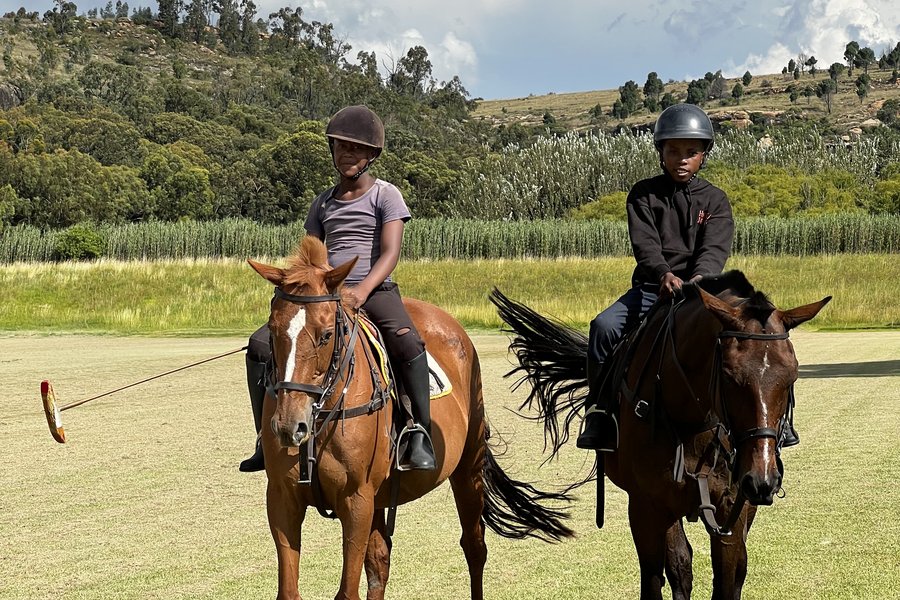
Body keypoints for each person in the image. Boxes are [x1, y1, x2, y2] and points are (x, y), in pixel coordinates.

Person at [240, 105, 436, 472]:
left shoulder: (385, 196)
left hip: (373, 291)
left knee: (407, 340)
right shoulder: (323, 202)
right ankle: (264, 438)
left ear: (371, 156)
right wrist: (297, 289)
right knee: (260, 345)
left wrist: (361, 291)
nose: (347, 154)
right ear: (331, 151)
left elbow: (390, 253)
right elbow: (310, 256)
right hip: (325, 294)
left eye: (356, 149)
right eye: (341, 147)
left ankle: (417, 432)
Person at [576, 103, 738, 451]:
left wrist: (700, 280)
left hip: (702, 293)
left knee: (758, 334)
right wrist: (663, 273)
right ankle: (599, 410)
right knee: (603, 327)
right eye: (673, 151)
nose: (681, 159)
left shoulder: (716, 200)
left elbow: (714, 249)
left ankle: (777, 424)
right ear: (660, 152)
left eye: (691, 152)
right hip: (654, 289)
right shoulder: (643, 194)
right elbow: (645, 243)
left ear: (704, 155)